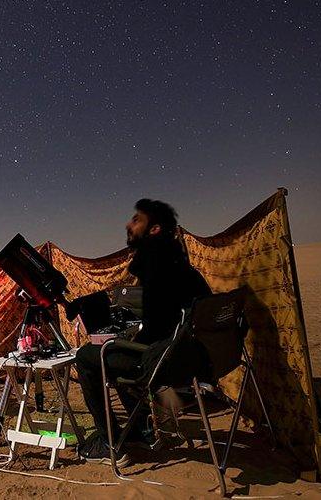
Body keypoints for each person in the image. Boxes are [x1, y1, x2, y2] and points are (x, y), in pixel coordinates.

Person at [75, 199, 212, 466]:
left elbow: (157, 329)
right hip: (192, 358)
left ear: (155, 229)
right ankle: (141, 431)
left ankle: (110, 441)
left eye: (137, 219)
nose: (129, 224)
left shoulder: (155, 264)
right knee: (118, 352)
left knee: (86, 356)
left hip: (166, 361)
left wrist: (125, 339)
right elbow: (166, 314)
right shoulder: (176, 261)